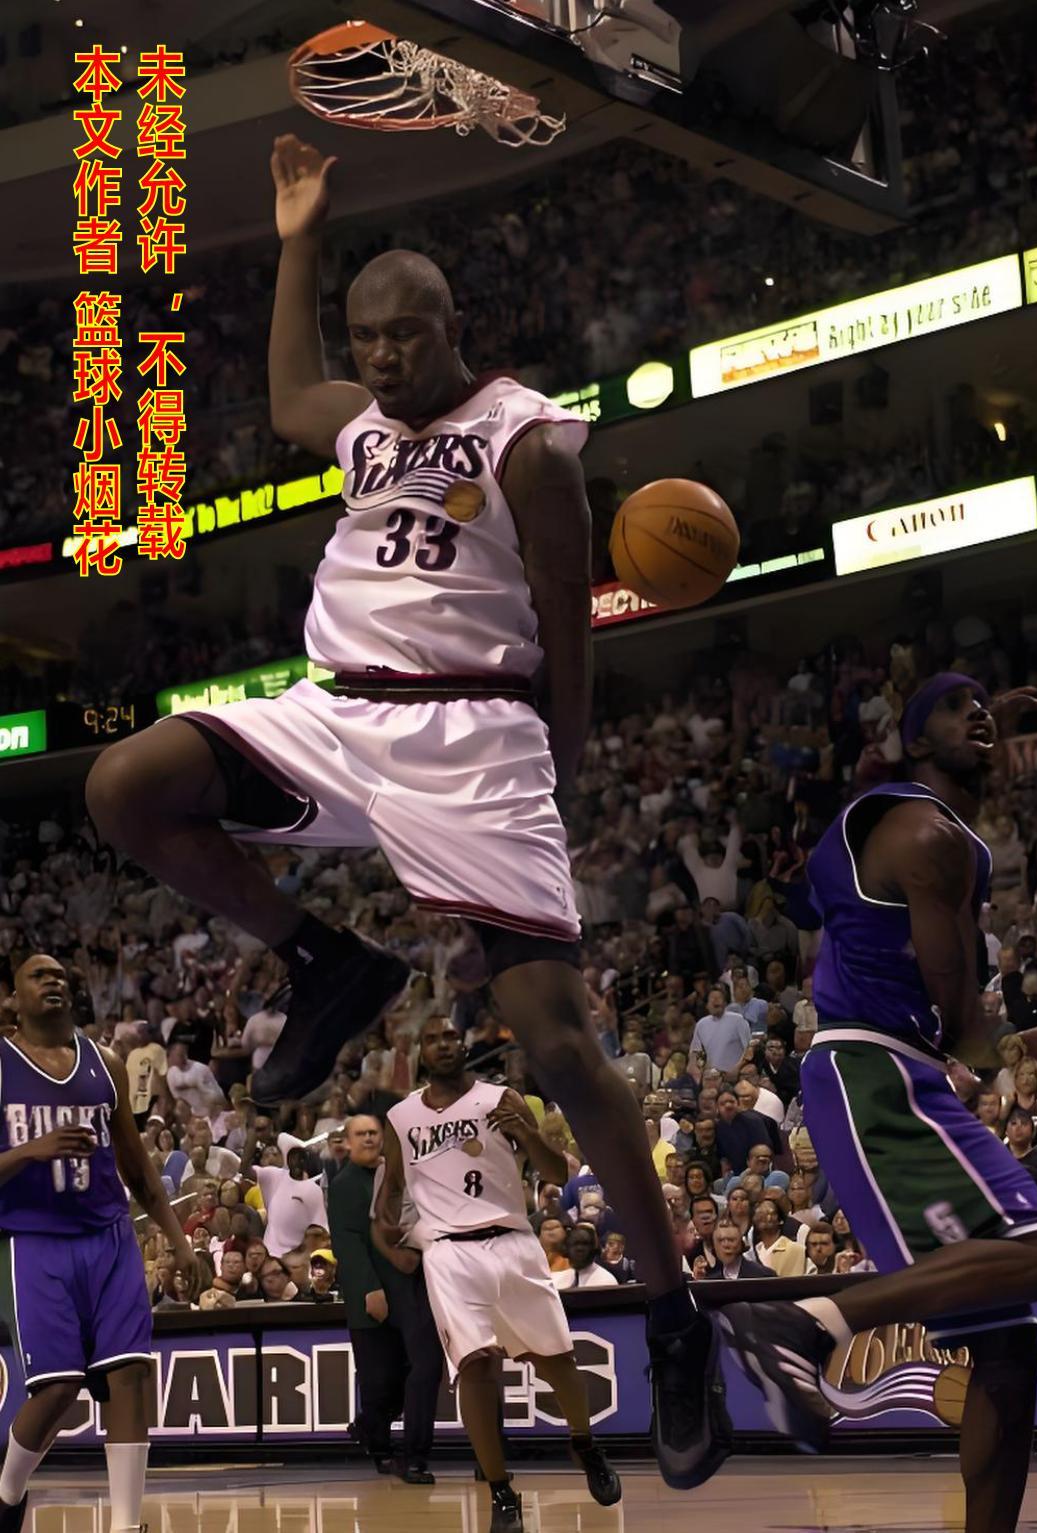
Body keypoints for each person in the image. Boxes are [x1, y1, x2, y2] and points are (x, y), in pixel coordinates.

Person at [84, 132, 725, 1494]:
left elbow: (565, 619)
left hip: (474, 734)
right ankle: (324, 959)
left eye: (402, 336)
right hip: (335, 711)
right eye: (365, 337)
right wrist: (298, 236)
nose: (378, 358)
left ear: (450, 327)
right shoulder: (361, 424)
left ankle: (675, 1317)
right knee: (123, 785)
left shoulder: (525, 438)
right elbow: (285, 393)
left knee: (558, 1044)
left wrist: (560, 763)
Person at [719, 676, 1037, 1533]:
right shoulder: (926, 835)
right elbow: (966, 1019)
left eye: (982, 703)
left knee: (1008, 1347)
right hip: (877, 1072)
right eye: (953, 705)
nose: (976, 712)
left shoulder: (930, 827)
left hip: (894, 1067)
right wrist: (1017, 1052)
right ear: (914, 741)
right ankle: (802, 1322)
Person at [375, 1017, 622, 1532]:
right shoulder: (401, 1116)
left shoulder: (500, 1098)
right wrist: (388, 1239)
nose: (443, 1044)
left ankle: (584, 1444)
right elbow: (390, 1191)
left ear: (464, 1046)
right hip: (449, 1253)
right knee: (477, 1366)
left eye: (450, 1036)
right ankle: (501, 1491)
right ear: (421, 1053)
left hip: (512, 1241)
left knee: (557, 1360)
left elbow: (554, 1173)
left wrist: (527, 1133)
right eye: (432, 1039)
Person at [0, 956, 193, 1533]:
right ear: (13, 998)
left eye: (60, 975)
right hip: (35, 1240)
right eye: (39, 975)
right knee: (59, 1387)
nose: (53, 981)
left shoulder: (105, 1063)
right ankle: (7, 1490)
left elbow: (136, 1165)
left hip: (109, 1234)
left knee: (129, 1374)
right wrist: (30, 1151)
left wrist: (178, 1240)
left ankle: (125, 1525)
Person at [327, 1114, 443, 1482]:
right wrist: (368, 1288)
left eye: (373, 1133)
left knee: (411, 1370)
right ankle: (379, 1447)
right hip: (372, 1291)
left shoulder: (396, 1174)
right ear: (347, 1142)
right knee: (380, 1380)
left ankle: (375, 1433)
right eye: (360, 1134)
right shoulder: (345, 1184)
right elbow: (347, 1242)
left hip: (406, 1286)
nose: (368, 1139)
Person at [238, 1123, 328, 1256]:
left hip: (298, 1256)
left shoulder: (313, 1190)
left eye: (299, 1156)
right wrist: (252, 1137)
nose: (295, 1161)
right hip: (270, 1254)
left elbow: (321, 1228)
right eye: (292, 1156)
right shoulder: (274, 1175)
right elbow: (244, 1169)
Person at [552, 1224, 619, 1290]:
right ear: (566, 1248)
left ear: (594, 1248)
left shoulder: (607, 1281)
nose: (579, 1248)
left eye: (585, 1244)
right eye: (575, 1244)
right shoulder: (556, 1280)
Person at [703, 1221, 772, 1281]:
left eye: (731, 1240)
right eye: (720, 1240)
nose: (726, 1245)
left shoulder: (764, 1276)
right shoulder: (709, 1281)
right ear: (714, 1246)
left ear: (741, 1244)